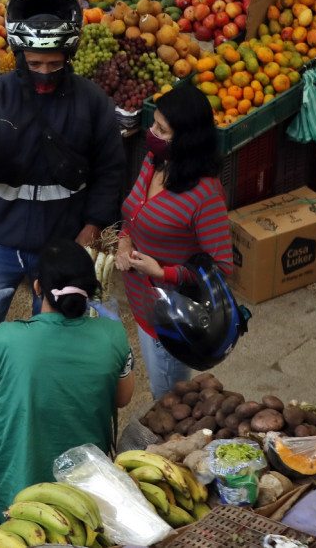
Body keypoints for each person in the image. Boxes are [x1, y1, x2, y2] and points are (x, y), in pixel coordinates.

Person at [0, 0, 125, 326]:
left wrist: (93, 225)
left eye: (55, 65)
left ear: (69, 55)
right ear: (19, 53)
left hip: (63, 243)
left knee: (55, 332)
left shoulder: (92, 103)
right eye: (35, 64)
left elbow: (111, 169)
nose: (44, 73)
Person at [0, 239, 134, 519]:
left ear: (38, 288)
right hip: (85, 485)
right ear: (91, 291)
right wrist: (113, 327)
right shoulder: (114, 336)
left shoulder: (7, 339)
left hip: (17, 482)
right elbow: (123, 398)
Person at [116, 83, 233, 399]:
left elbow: (221, 267)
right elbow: (133, 216)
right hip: (141, 305)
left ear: (188, 139)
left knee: (168, 401)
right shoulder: (153, 162)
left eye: (161, 130)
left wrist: (163, 273)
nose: (151, 132)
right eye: (154, 124)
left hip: (172, 318)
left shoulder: (204, 196)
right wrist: (124, 242)